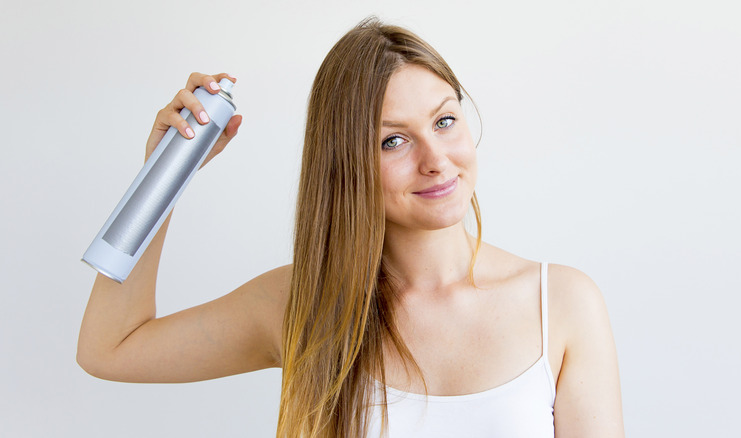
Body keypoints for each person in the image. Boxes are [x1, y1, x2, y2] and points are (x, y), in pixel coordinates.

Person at [77, 18, 624, 438]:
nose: (437, 160)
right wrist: (161, 179)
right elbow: (111, 348)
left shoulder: (562, 304)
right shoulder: (304, 303)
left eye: (444, 120)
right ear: (345, 163)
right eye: (394, 140)